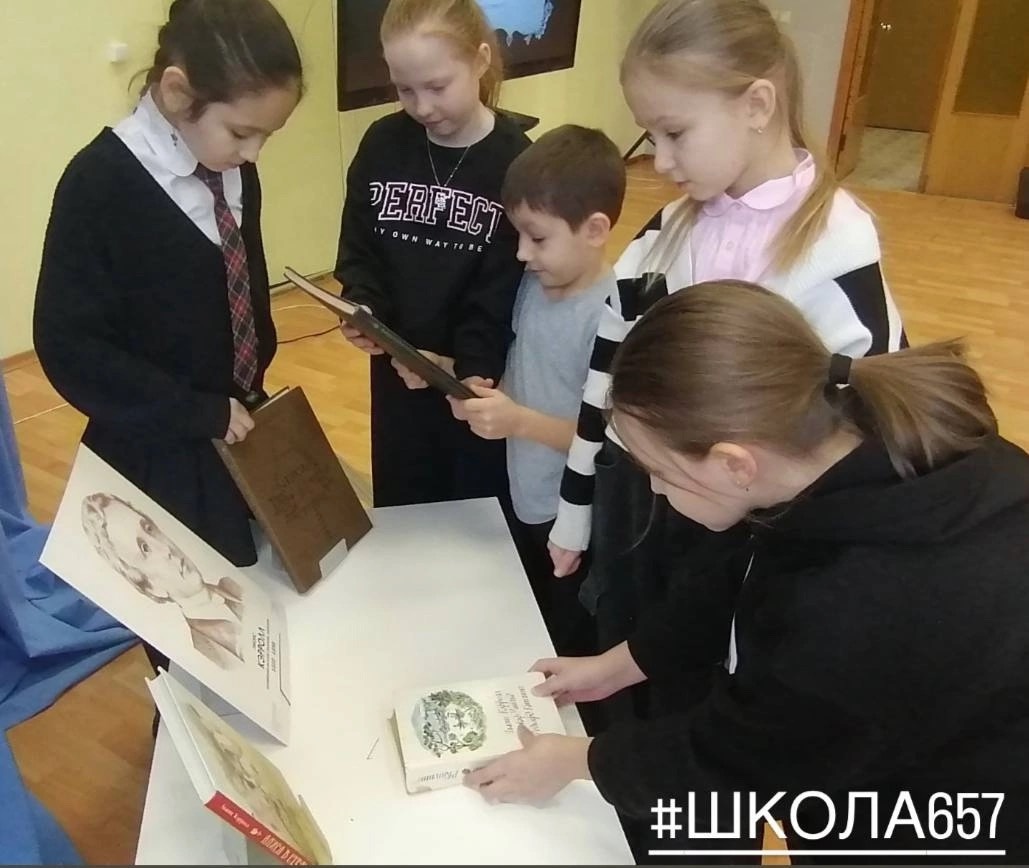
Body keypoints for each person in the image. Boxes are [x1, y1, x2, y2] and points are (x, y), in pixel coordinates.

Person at [464, 281, 1029, 864]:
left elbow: (738, 767)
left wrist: (576, 759)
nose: (654, 488)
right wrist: (619, 665)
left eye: (659, 471)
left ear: (735, 464)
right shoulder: (838, 444)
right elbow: (737, 572)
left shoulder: (856, 608)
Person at [545, 0, 907, 702]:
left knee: (709, 698)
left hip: (755, 537)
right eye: (650, 135)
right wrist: (575, 506)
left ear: (756, 105)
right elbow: (605, 383)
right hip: (642, 508)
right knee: (625, 673)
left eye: (676, 133)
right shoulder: (660, 236)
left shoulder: (837, 248)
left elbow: (866, 442)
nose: (660, 160)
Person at [33, 0, 303, 570]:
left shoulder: (234, 168)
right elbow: (70, 347)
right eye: (242, 132)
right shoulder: (98, 184)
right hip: (155, 452)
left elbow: (236, 291)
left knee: (267, 581)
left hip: (235, 434)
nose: (253, 153)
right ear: (179, 92)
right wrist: (192, 411)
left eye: (266, 136)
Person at [334, 0, 530, 508]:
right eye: (404, 90)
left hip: (474, 386)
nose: (421, 107)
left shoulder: (517, 162)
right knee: (403, 503)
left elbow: (507, 287)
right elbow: (360, 248)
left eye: (438, 87)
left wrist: (463, 366)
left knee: (473, 510)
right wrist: (364, 306)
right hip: (396, 377)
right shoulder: (382, 144)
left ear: (480, 61)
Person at [448, 124, 625, 662]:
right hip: (521, 494)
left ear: (595, 229)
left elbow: (609, 440)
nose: (522, 254)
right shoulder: (530, 285)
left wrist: (518, 422)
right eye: (518, 237)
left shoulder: (611, 317)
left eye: (538, 238)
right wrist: (471, 386)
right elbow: (524, 369)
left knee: (564, 637)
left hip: (572, 519)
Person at [81, 492, 246, 669]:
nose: (165, 549)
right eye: (145, 549)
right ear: (151, 587)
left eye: (149, 529)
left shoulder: (236, 586)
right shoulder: (207, 652)